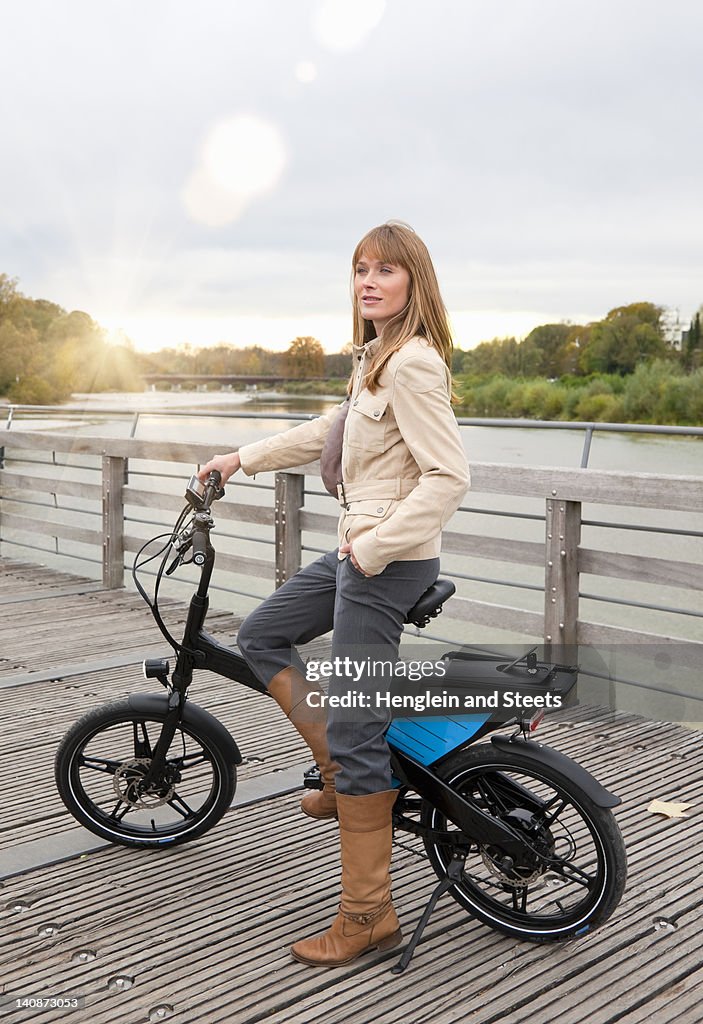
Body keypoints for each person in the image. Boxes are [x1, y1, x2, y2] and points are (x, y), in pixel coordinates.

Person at [197, 221, 470, 967]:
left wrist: (373, 548)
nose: (369, 281)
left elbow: (449, 478)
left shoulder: (412, 364)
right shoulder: (373, 358)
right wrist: (239, 457)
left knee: (356, 732)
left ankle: (365, 916)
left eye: (385, 269)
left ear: (414, 279)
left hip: (384, 563)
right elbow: (332, 431)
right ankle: (340, 775)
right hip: (360, 554)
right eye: (359, 269)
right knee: (262, 633)